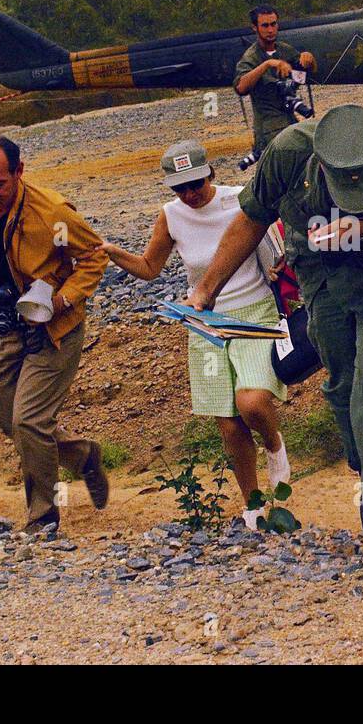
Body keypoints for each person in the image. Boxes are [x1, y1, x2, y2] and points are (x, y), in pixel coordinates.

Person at [186, 105, 363, 570]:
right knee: (344, 384)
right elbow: (251, 219)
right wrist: (207, 287)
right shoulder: (289, 153)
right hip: (324, 286)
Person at [98, 140, 290, 528]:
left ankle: (274, 445)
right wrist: (109, 251)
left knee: (252, 404)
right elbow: (150, 267)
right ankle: (251, 502)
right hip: (203, 321)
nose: (189, 194)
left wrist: (283, 263)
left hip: (253, 312)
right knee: (228, 422)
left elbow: (280, 241)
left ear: (211, 174)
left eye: (196, 184)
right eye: (180, 188)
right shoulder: (170, 216)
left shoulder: (241, 200)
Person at [0, 134, 110, 534]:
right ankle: (83, 455)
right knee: (9, 418)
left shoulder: (52, 212)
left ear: (19, 171)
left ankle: (42, 517)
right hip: (1, 327)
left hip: (52, 330)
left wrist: (63, 301)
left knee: (30, 420)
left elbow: (95, 255)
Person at [233, 4, 318, 157]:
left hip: (290, 122)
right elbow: (241, 87)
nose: (270, 30)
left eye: (273, 24)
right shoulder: (251, 57)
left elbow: (305, 71)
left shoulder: (284, 50)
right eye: (265, 25)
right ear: (255, 28)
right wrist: (267, 65)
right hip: (268, 131)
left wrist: (309, 59)